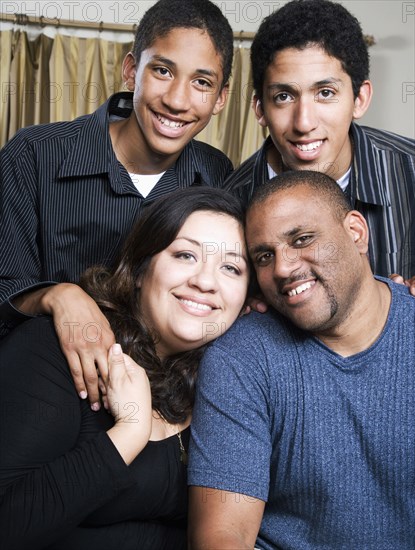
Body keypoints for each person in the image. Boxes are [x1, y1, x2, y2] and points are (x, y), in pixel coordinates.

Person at [0, 0, 234, 406]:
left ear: (220, 98)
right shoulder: (33, 155)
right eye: (162, 71)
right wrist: (58, 296)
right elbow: (5, 286)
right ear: (131, 71)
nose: (178, 101)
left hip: (165, 405)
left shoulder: (217, 174)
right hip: (45, 393)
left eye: (201, 82)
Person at [0, 187, 249, 550]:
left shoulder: (228, 384)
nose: (205, 282)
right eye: (184, 255)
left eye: (230, 267)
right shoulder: (57, 348)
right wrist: (130, 431)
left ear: (246, 301)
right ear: (138, 270)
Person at [188, 171, 415, 549]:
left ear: (356, 233)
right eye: (264, 256)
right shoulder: (241, 359)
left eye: (302, 239)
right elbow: (222, 537)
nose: (282, 268)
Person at [225, 0, 415, 290]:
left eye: (325, 93)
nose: (304, 123)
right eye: (284, 97)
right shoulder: (229, 203)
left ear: (359, 99)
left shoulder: (410, 169)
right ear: (260, 109)